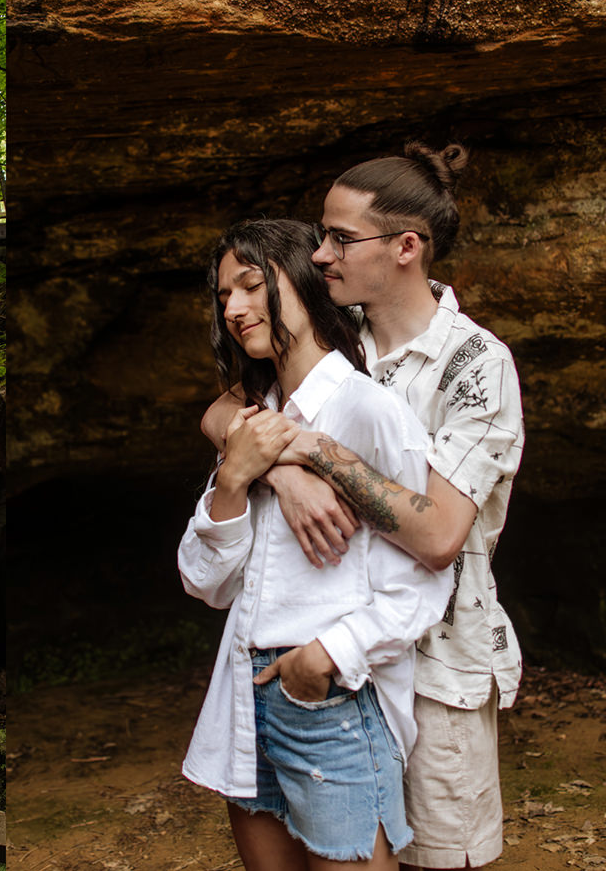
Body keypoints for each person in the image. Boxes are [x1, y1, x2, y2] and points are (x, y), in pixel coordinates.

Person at [203, 143, 525, 871]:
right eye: (319, 237)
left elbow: (440, 534)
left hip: (436, 659)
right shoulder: (341, 336)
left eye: (340, 238)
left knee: (437, 862)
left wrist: (315, 455)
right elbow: (225, 409)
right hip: (335, 661)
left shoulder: (474, 366)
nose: (319, 255)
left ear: (406, 247)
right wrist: (280, 471)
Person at [180, 218, 453, 870]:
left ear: (306, 281)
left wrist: (325, 658)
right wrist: (240, 475)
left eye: (251, 285)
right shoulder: (252, 419)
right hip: (243, 697)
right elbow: (205, 579)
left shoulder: (369, 411)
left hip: (329, 694)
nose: (235, 308)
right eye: (224, 296)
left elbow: (426, 576)